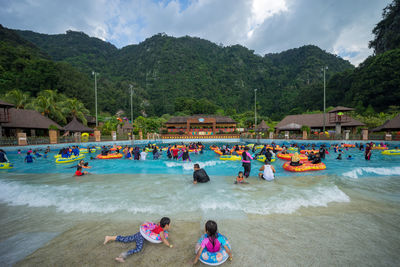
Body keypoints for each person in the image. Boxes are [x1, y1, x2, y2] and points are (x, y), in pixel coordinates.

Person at [104, 217, 173, 263]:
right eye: (169, 224)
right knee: (138, 249)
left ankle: (109, 238)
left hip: (140, 233)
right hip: (142, 237)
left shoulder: (158, 224)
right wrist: (169, 245)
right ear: (166, 225)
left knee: (126, 239)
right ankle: (122, 256)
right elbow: (163, 239)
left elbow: (157, 224)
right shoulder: (161, 231)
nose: (170, 226)